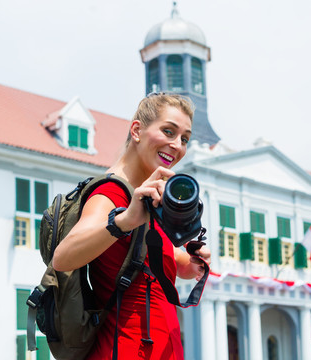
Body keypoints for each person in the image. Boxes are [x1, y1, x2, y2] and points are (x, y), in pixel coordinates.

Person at [52, 93, 212, 360]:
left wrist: (193, 262)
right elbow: (63, 257)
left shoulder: (149, 197)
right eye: (168, 131)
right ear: (137, 130)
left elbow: (167, 261)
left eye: (184, 138)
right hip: (126, 348)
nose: (177, 145)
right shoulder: (111, 192)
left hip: (161, 346)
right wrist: (125, 220)